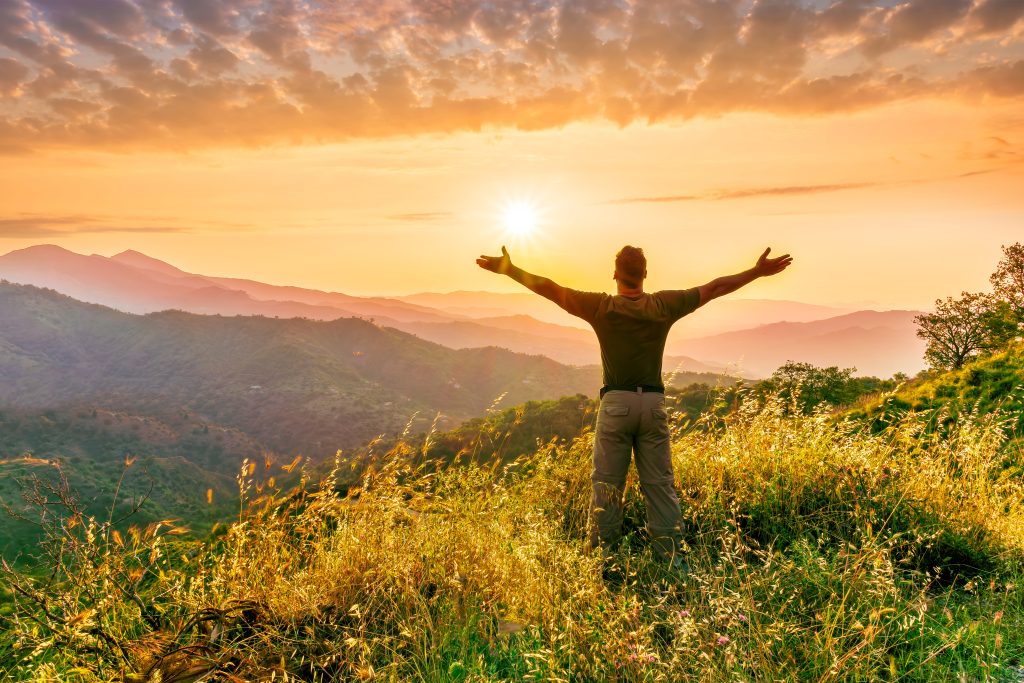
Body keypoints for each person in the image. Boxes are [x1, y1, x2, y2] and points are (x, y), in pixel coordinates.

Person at [476, 244, 793, 571]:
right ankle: (674, 564)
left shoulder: (601, 307)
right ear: (645, 274)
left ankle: (603, 563)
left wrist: (510, 270)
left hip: (615, 404)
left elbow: (552, 290)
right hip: (653, 404)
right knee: (659, 486)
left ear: (615, 274)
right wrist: (757, 272)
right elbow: (715, 288)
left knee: (606, 486)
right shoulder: (663, 305)